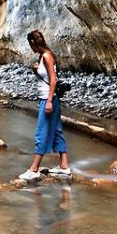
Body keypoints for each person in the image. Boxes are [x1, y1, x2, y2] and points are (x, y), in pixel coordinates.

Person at [19, 29, 71, 181]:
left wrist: (48, 101)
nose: (30, 47)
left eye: (30, 44)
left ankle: (34, 169)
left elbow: (53, 80)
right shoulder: (43, 56)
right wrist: (35, 71)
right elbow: (45, 78)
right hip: (48, 98)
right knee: (56, 131)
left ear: (33, 43)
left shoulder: (47, 56)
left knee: (41, 132)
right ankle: (64, 167)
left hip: (49, 99)